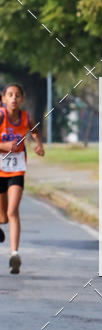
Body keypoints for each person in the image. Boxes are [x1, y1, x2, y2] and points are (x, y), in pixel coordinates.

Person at [0, 83, 45, 273]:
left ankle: (14, 254)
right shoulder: (0, 116)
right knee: (2, 217)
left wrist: (39, 145)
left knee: (13, 210)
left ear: (22, 99)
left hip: (17, 169)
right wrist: (4, 146)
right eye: (10, 95)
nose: (14, 98)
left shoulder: (26, 117)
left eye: (17, 95)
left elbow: (34, 130)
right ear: (3, 99)